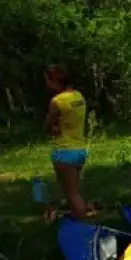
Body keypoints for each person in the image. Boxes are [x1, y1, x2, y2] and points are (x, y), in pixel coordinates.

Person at [44, 65, 91, 220]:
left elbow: (48, 126)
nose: (46, 85)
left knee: (71, 194)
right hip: (80, 150)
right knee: (73, 191)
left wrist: (54, 128)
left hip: (64, 152)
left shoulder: (57, 101)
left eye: (48, 81)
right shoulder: (78, 96)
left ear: (55, 82)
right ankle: (75, 215)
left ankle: (82, 224)